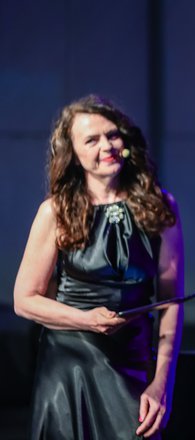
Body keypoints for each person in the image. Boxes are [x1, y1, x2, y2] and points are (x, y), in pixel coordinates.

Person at [13, 95, 184, 439]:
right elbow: (24, 300)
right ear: (73, 154)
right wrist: (88, 319)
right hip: (69, 364)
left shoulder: (160, 205)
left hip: (133, 360)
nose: (106, 145)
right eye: (91, 140)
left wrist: (161, 381)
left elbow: (171, 302)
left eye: (112, 135)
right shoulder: (55, 211)